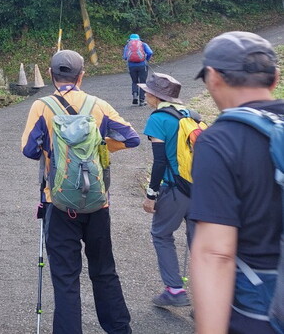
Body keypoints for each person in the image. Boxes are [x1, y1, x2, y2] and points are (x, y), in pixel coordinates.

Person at [22, 49, 140, 334]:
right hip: (97, 203)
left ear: (50, 75)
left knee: (66, 278)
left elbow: (29, 150)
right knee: (104, 269)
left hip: (59, 202)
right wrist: (100, 145)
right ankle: (119, 329)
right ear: (81, 76)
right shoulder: (99, 105)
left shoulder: (41, 106)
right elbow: (131, 138)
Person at [189, 31, 284, 333]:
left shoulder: (220, 141)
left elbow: (216, 254)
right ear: (275, 78)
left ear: (214, 77)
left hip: (260, 314)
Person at [138, 71, 194, 308]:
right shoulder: (191, 115)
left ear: (156, 96)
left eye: (147, 92)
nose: (145, 95)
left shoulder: (158, 119)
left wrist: (151, 195)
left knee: (161, 234)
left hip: (174, 188)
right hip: (199, 188)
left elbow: (160, 162)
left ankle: (175, 290)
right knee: (199, 243)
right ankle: (208, 299)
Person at [123, 33, 153, 106]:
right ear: (139, 39)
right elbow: (150, 52)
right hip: (142, 65)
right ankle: (142, 100)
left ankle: (135, 96)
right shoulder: (143, 44)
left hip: (131, 66)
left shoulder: (128, 45)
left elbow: (125, 57)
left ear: (130, 39)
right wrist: (146, 59)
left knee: (134, 81)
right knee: (143, 82)